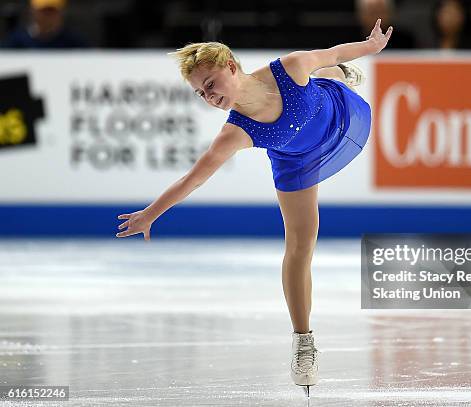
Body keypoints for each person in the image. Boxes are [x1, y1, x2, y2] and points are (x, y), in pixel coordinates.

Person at [115, 19, 393, 395]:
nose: (209, 97)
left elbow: (335, 50)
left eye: (211, 84)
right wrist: (150, 214)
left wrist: (369, 47)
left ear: (231, 66)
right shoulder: (234, 133)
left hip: (335, 110)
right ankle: (303, 341)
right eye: (201, 94)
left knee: (326, 73)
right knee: (300, 245)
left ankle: (339, 76)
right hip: (296, 161)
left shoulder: (290, 67)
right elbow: (192, 179)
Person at [1, 0, 89, 49]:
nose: (48, 16)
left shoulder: (75, 43)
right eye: (44, 11)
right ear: (33, 11)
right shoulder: (17, 41)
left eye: (52, 11)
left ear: (61, 12)